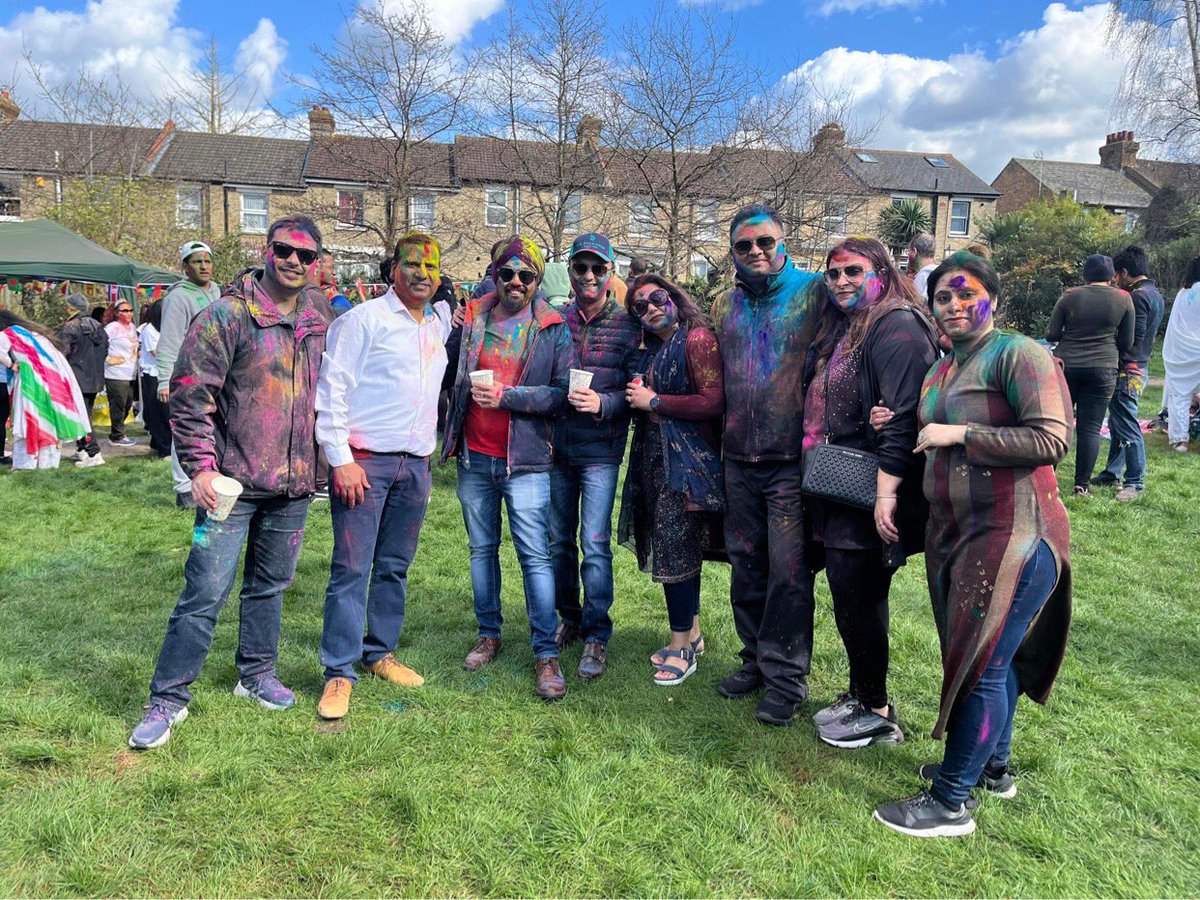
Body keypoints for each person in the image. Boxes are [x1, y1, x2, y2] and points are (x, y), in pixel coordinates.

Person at [871, 252, 1072, 838]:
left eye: (968, 295)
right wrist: (898, 421)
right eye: (943, 298)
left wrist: (961, 433)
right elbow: (923, 428)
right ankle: (993, 766)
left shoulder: (1019, 355)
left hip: (1014, 533)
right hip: (957, 534)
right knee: (991, 657)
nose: (955, 306)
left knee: (981, 664)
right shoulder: (942, 369)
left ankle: (950, 802)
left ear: (993, 300)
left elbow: (1052, 438)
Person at [128, 216, 334, 750]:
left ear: (316, 265)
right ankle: (168, 699)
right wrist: (199, 467)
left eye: (306, 256)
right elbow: (192, 396)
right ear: (268, 251)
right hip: (228, 488)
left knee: (270, 587)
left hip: (291, 488)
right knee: (204, 590)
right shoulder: (226, 314)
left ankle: (256, 675)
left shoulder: (319, 318)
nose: (294, 261)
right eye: (285, 250)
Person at [801, 237, 939, 748]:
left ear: (880, 270)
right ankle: (864, 694)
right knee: (850, 593)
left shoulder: (896, 324)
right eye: (833, 273)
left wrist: (886, 490)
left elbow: (907, 415)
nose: (841, 281)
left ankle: (877, 709)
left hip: (874, 488)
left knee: (858, 595)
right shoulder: (854, 322)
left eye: (853, 272)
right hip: (846, 483)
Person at [314, 232, 453, 720]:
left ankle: (379, 653)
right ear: (393, 268)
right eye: (412, 264)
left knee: (394, 566)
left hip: (414, 466)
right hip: (365, 464)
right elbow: (331, 390)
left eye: (431, 267)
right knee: (352, 569)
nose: (422, 274)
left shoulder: (438, 322)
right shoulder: (362, 320)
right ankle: (338, 670)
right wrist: (340, 458)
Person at [440, 235, 572, 700]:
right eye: (507, 273)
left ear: (537, 280)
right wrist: (455, 326)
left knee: (535, 555)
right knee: (481, 550)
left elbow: (560, 396)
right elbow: (447, 370)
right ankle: (489, 632)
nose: (516, 282)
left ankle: (545, 653)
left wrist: (508, 397)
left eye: (526, 275)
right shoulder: (474, 317)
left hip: (528, 461)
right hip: (476, 457)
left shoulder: (553, 327)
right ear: (494, 275)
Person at [709, 203, 820, 726]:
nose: (756, 252)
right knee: (745, 567)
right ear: (732, 251)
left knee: (788, 574)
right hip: (738, 458)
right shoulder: (723, 304)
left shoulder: (814, 293)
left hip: (788, 462)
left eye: (765, 243)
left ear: (782, 242)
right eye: (744, 245)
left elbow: (870, 324)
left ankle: (785, 679)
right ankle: (754, 659)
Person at [617, 275, 725, 685]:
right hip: (659, 460)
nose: (651, 308)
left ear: (673, 296)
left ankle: (681, 646)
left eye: (656, 298)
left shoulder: (696, 338)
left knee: (676, 550)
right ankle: (692, 633)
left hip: (686, 466)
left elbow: (714, 402)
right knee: (674, 547)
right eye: (639, 307)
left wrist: (654, 401)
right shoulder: (657, 348)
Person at [549, 232, 643, 679]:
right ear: (569, 271)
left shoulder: (629, 325)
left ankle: (597, 634)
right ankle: (569, 617)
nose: (588, 276)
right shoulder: (554, 320)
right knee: (558, 541)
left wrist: (604, 405)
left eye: (597, 268)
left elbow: (636, 392)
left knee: (595, 544)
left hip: (601, 453)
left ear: (610, 274)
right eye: (580, 268)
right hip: (557, 448)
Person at [1045, 254, 1134, 494]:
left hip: (1068, 365)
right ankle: (1081, 484)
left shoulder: (1070, 296)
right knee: (1090, 427)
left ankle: (1046, 479)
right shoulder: (1124, 299)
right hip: (1104, 367)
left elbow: (1052, 334)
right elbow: (1127, 342)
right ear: (1112, 276)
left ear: (1086, 275)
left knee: (1059, 423)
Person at [1094, 246, 1165, 500]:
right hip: (1140, 366)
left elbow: (1133, 337)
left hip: (1128, 370)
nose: (1116, 280)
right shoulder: (1155, 293)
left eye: (1118, 275)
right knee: (1117, 421)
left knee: (1126, 423)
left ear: (1125, 272)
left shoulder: (1136, 297)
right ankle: (1112, 472)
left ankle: (1135, 481)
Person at [158, 240, 222, 508]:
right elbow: (169, 339)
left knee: (213, 426)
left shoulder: (218, 292)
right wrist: (164, 380)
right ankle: (185, 487)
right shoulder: (178, 298)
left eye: (207, 260)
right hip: (189, 373)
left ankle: (212, 480)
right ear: (185, 266)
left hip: (218, 371)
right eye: (197, 261)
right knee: (185, 427)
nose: (204, 266)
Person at [0, 310, 92, 469]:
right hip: (53, 381)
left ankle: (26, 463)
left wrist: (12, 365)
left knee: (28, 421)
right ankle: (47, 463)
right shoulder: (35, 335)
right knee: (48, 421)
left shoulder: (7, 334)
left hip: (30, 381)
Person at [59, 292, 108, 467]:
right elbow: (105, 351)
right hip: (95, 379)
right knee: (84, 413)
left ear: (72, 308)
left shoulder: (70, 327)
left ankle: (93, 453)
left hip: (77, 379)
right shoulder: (98, 325)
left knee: (82, 416)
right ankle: (81, 449)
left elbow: (61, 355)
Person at [1162, 256, 1200, 452]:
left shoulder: (1182, 294)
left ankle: (1180, 440)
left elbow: (1174, 324)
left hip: (1183, 353)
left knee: (1180, 395)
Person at [137, 300, 172, 457]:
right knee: (159, 412)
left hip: (165, 374)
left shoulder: (166, 330)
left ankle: (157, 443)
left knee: (164, 411)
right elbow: (157, 354)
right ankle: (164, 448)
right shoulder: (149, 330)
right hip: (153, 376)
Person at [102, 299, 139, 446]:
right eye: (124, 311)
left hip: (131, 371)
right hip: (115, 373)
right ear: (117, 313)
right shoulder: (112, 328)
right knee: (118, 404)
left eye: (130, 310)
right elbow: (100, 344)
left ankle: (116, 431)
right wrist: (108, 359)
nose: (128, 313)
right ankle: (117, 435)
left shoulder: (132, 327)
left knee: (128, 403)